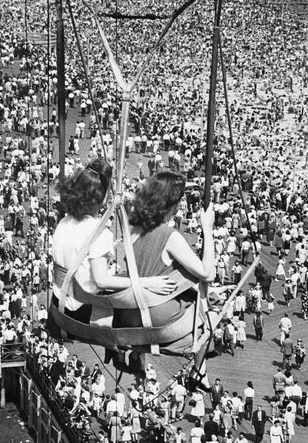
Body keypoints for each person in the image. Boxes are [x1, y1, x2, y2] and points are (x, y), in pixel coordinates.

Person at [115, 171, 217, 389]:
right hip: (154, 314)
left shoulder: (133, 228)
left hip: (128, 311)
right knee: (208, 306)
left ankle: (199, 368)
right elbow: (209, 272)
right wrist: (207, 229)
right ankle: (199, 369)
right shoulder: (169, 236)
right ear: (171, 203)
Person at [50, 160, 176, 330]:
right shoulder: (99, 232)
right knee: (141, 305)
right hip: (81, 310)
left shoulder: (64, 222)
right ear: (101, 195)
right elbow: (101, 281)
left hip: (59, 302)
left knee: (125, 279)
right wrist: (147, 282)